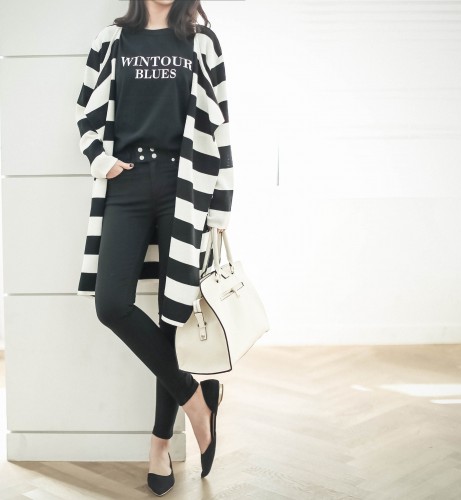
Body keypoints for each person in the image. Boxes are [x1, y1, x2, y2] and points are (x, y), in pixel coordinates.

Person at [75, 0, 232, 495]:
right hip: (126, 182)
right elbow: (85, 112)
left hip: (181, 186)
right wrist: (101, 159)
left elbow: (220, 126)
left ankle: (160, 445)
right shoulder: (111, 40)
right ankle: (196, 400)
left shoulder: (200, 41)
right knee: (111, 304)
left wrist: (220, 208)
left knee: (173, 316)